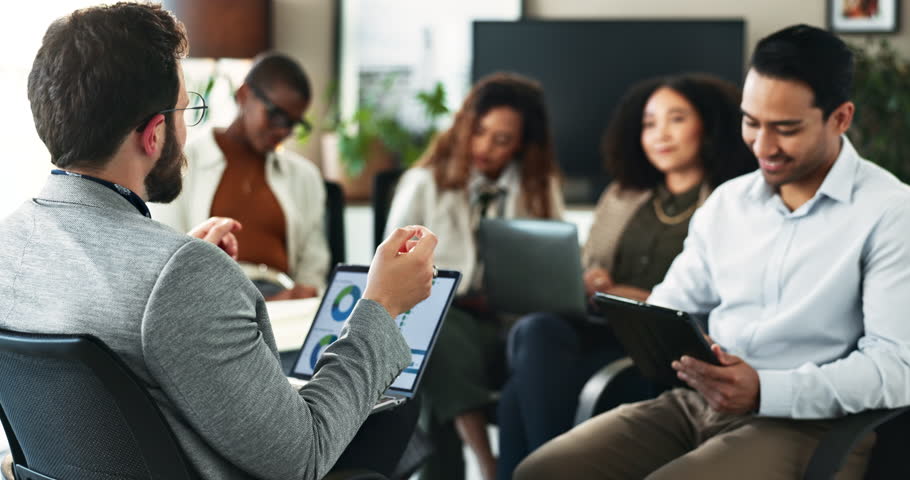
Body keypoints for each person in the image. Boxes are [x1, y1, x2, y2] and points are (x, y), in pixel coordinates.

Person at [0, 4, 438, 480]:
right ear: (153, 134)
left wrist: (175, 265)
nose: (187, 131)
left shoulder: (11, 243)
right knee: (396, 410)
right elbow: (302, 457)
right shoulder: (181, 278)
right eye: (186, 110)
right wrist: (382, 305)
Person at [515, 24, 910, 480]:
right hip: (695, 404)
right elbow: (670, 304)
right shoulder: (728, 203)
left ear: (840, 118)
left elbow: (896, 368)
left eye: (785, 129)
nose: (763, 147)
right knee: (542, 471)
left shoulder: (891, 213)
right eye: (751, 122)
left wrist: (764, 389)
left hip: (810, 424)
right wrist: (661, 333)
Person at [496, 73, 756, 479]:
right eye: (649, 123)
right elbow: (586, 263)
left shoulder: (732, 200)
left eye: (676, 119)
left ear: (709, 126)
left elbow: (731, 296)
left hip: (664, 348)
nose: (659, 134)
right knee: (537, 330)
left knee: (517, 394)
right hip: (603, 327)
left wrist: (642, 296)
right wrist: (591, 279)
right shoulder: (623, 194)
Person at [384, 72, 564, 480]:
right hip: (446, 315)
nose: (484, 147)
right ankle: (488, 464)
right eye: (479, 132)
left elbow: (558, 261)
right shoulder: (423, 184)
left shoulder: (539, 187)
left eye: (502, 140)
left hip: (509, 321)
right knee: (438, 333)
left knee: (441, 364)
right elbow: (389, 266)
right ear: (464, 125)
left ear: (522, 144)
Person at [153, 52, 329, 301]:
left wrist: (302, 294)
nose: (283, 131)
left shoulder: (304, 176)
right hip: (212, 300)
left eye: (293, 123)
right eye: (277, 115)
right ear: (244, 95)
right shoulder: (183, 162)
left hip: (286, 302)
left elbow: (314, 265)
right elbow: (167, 257)